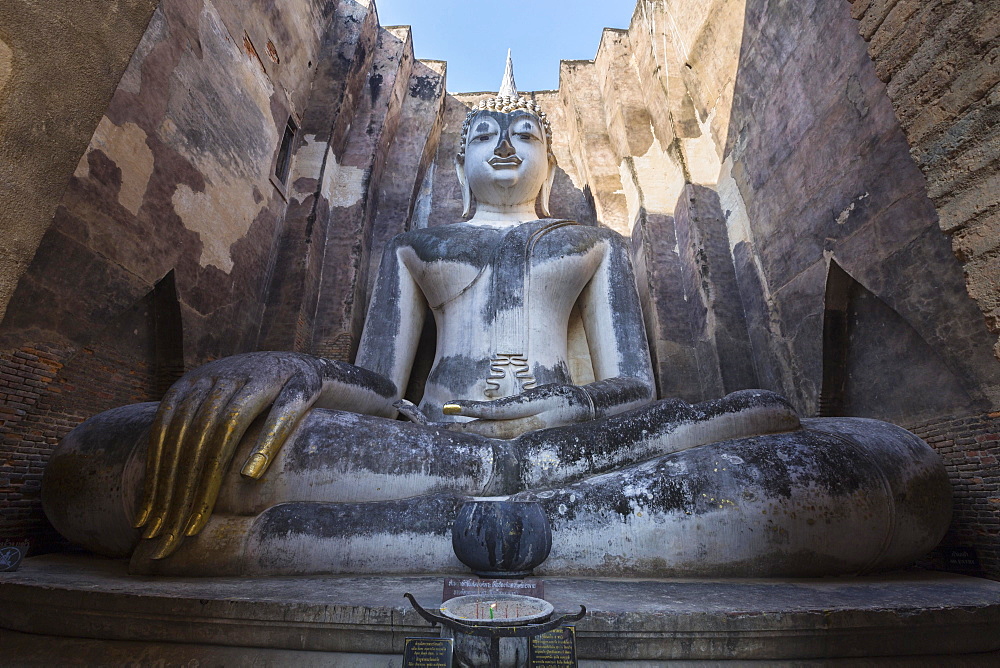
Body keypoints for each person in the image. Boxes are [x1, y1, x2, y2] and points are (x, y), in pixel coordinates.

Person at [43, 59, 950, 577]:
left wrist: (572, 410)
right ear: (460, 157)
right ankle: (574, 535)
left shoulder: (591, 245)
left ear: (550, 157)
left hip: (578, 446)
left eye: (524, 134)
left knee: (831, 442)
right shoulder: (421, 245)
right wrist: (299, 371)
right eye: (484, 133)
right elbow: (376, 379)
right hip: (435, 444)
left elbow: (634, 382)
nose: (506, 144)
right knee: (114, 455)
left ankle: (337, 544)